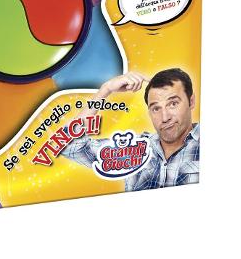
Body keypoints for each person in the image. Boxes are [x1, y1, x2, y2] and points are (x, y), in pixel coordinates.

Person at [62, 68, 200, 191]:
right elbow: (68, 145)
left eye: (173, 104)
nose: (165, 117)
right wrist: (106, 89)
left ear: (191, 101)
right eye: (156, 108)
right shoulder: (136, 148)